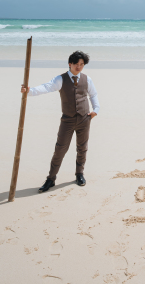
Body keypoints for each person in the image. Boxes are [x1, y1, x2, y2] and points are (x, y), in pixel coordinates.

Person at [21, 50, 101, 193]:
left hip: (84, 118)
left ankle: (79, 174)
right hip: (67, 120)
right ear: (70, 64)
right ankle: (51, 179)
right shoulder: (60, 79)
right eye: (76, 64)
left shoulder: (87, 79)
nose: (79, 67)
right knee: (60, 149)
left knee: (82, 148)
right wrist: (30, 91)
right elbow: (46, 87)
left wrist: (96, 110)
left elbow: (93, 94)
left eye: (82, 64)